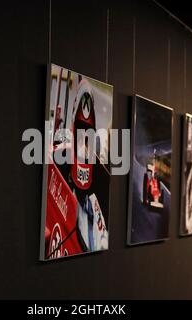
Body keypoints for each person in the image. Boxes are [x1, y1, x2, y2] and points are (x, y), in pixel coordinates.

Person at [69, 80, 108, 252]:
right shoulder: (62, 148)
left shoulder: (100, 171)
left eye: (87, 135)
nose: (83, 138)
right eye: (80, 132)